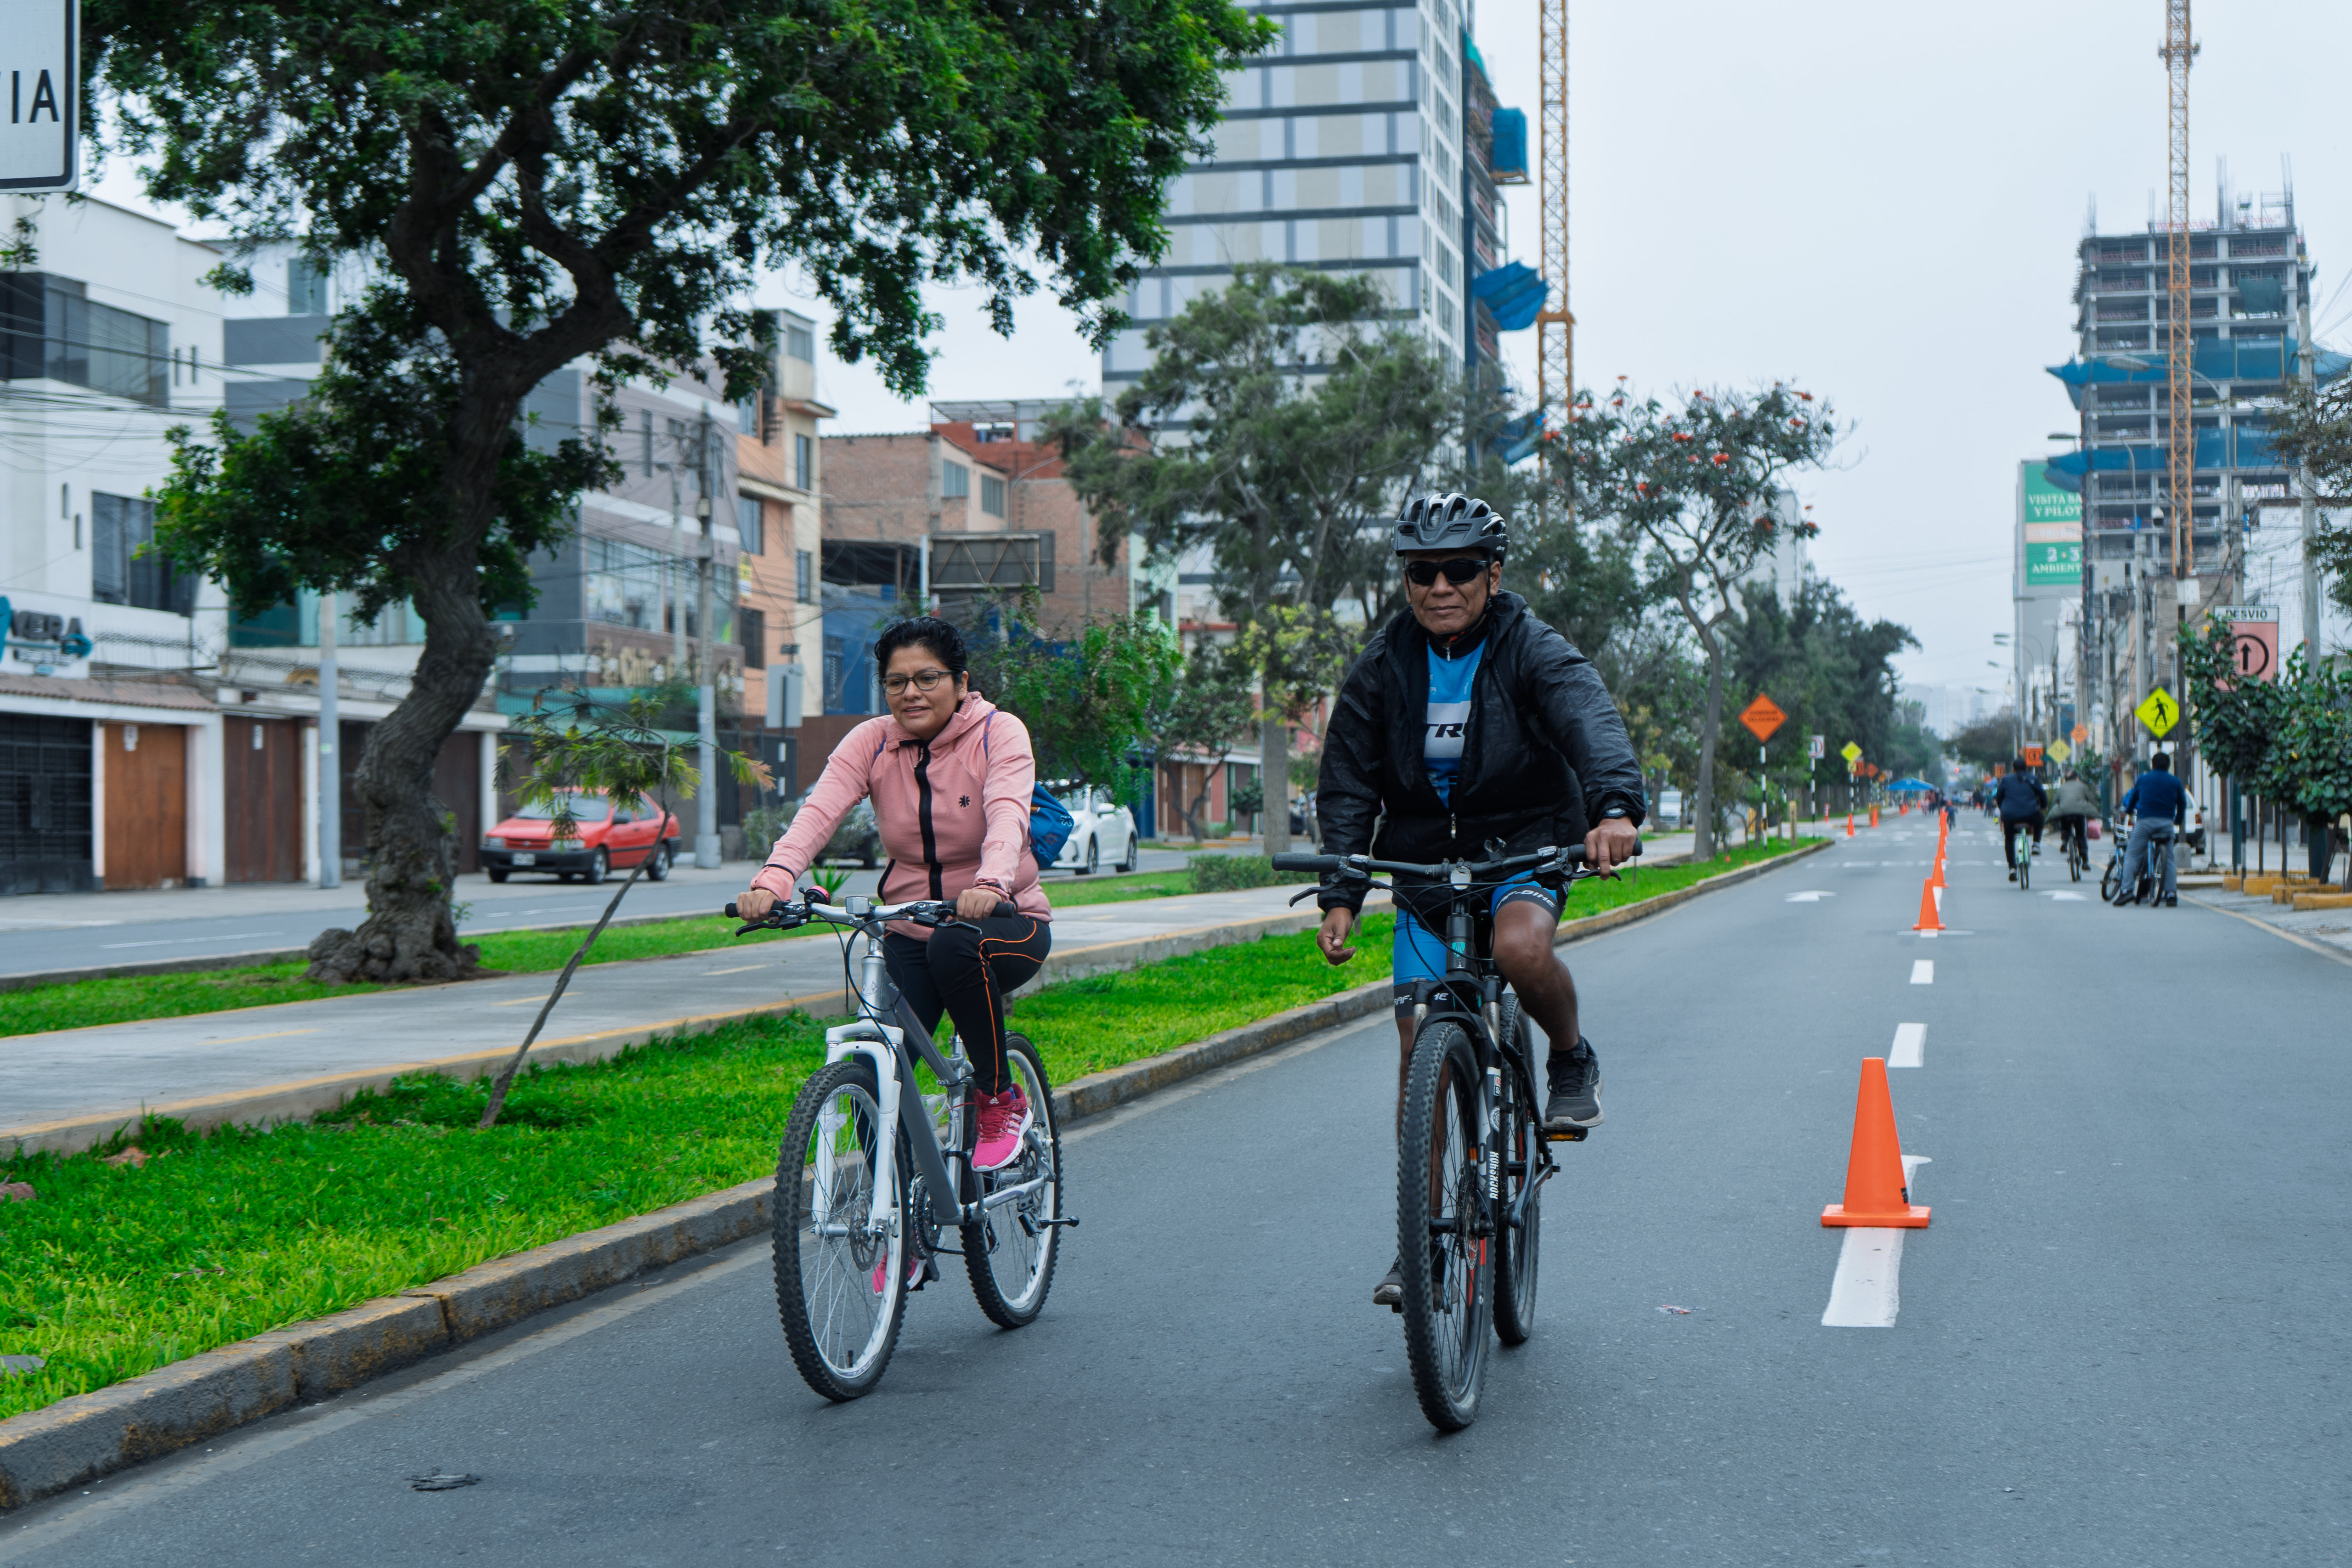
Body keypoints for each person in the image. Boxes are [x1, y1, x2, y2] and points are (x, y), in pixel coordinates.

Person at [1312, 493, 1645, 1307]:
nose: (1440, 586)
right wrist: (1343, 891)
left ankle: (1569, 1053)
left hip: (1526, 841)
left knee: (1521, 948)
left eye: (1460, 568)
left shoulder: (1531, 647)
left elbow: (1588, 717)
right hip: (1426, 864)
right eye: (1422, 571)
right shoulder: (1383, 665)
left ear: (1493, 573)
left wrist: (1613, 809)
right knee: (1414, 1043)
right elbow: (1349, 776)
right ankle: (1418, 1244)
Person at [737, 617, 1052, 1173]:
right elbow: (817, 813)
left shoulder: (997, 733)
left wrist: (990, 883)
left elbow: (1007, 815)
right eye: (896, 682)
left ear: (960, 682)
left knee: (954, 946)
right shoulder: (872, 742)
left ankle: (1000, 1098)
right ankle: (903, 1234)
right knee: (871, 1068)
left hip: (1005, 920)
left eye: (927, 678)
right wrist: (773, 880)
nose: (910, 693)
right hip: (909, 926)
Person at [2114, 752, 2188, 907]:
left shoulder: (2143, 779)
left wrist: (2129, 811)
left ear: (2152, 765)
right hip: (2167, 823)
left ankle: (2127, 890)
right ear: (2168, 766)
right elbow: (2182, 804)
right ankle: (2171, 894)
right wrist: (2178, 821)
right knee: (2169, 859)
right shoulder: (2175, 782)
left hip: (2145, 822)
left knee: (2132, 855)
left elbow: (2134, 798)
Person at [1994, 759, 2047, 880]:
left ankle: (2012, 867)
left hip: (2010, 817)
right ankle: (2036, 844)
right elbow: (2043, 796)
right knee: (2041, 818)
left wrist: (2003, 810)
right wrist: (2043, 807)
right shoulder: (2033, 779)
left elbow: (1999, 798)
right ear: (2026, 769)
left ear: (2013, 769)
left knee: (2009, 839)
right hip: (2031, 815)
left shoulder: (2006, 780)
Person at [2048, 767, 2101, 866]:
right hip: (2079, 814)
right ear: (2077, 778)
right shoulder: (2083, 786)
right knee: (2081, 836)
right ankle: (2085, 862)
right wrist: (2094, 812)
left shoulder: (2062, 788)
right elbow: (2092, 800)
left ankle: (2064, 840)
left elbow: (2055, 802)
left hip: (2065, 813)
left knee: (2065, 825)